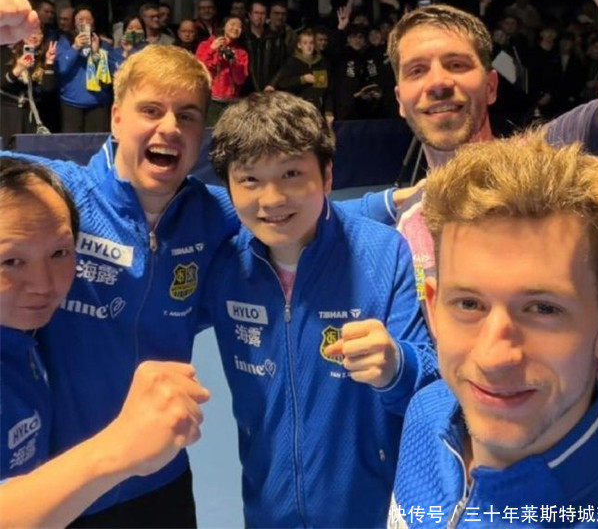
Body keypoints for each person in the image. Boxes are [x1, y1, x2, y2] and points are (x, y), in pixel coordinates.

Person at [2, 45, 399, 526]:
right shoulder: (57, 193)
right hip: (67, 482)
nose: (170, 127)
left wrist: (391, 202)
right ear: (116, 118)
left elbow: (291, 210)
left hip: (162, 475)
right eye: (151, 110)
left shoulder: (212, 211)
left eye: (187, 116)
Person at [387, 0, 598, 438]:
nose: (438, 82)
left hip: (568, 480)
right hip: (439, 477)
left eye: (458, 64)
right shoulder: (394, 226)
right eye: (417, 70)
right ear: (399, 98)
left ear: (492, 84)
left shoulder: (559, 164)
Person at [202, 91, 437, 528]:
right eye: (250, 179)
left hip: (369, 510)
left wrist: (396, 365)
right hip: (267, 510)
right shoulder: (222, 264)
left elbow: (432, 378)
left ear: (327, 175)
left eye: (292, 174)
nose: (272, 199)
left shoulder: (384, 253)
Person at [389, 132, 598, 528]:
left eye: (543, 309)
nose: (494, 358)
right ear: (434, 309)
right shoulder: (425, 412)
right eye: (468, 304)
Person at [0, 156, 210, 529]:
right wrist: (119, 448)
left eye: (59, 253)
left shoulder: (23, 337)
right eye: (11, 261)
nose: (44, 284)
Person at [55, 6, 115, 133]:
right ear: (74, 23)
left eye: (88, 19)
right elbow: (62, 69)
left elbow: (107, 76)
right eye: (80, 19)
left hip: (98, 103)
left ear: (94, 23)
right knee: (72, 143)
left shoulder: (104, 45)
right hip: (71, 102)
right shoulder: (65, 41)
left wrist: (96, 53)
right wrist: (75, 47)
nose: (84, 23)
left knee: (97, 142)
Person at [0, 24, 58, 143]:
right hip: (7, 111)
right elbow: (2, 84)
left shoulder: (42, 57)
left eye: (38, 33)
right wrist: (17, 70)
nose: (34, 36)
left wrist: (49, 63)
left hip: (29, 114)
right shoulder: (7, 52)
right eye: (30, 31)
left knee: (26, 149)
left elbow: (47, 89)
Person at [195, 16, 249, 125]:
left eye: (239, 26)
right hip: (211, 99)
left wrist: (234, 62)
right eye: (232, 24)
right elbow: (198, 69)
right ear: (224, 26)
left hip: (232, 102)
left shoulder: (241, 52)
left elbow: (240, 80)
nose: (236, 28)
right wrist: (211, 49)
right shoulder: (206, 45)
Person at [269, 28, 329, 112]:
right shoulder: (293, 62)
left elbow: (324, 88)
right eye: (305, 43)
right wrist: (302, 79)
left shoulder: (321, 62)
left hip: (316, 107)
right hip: (296, 105)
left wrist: (328, 110)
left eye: (311, 43)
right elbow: (282, 83)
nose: (308, 46)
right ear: (299, 45)